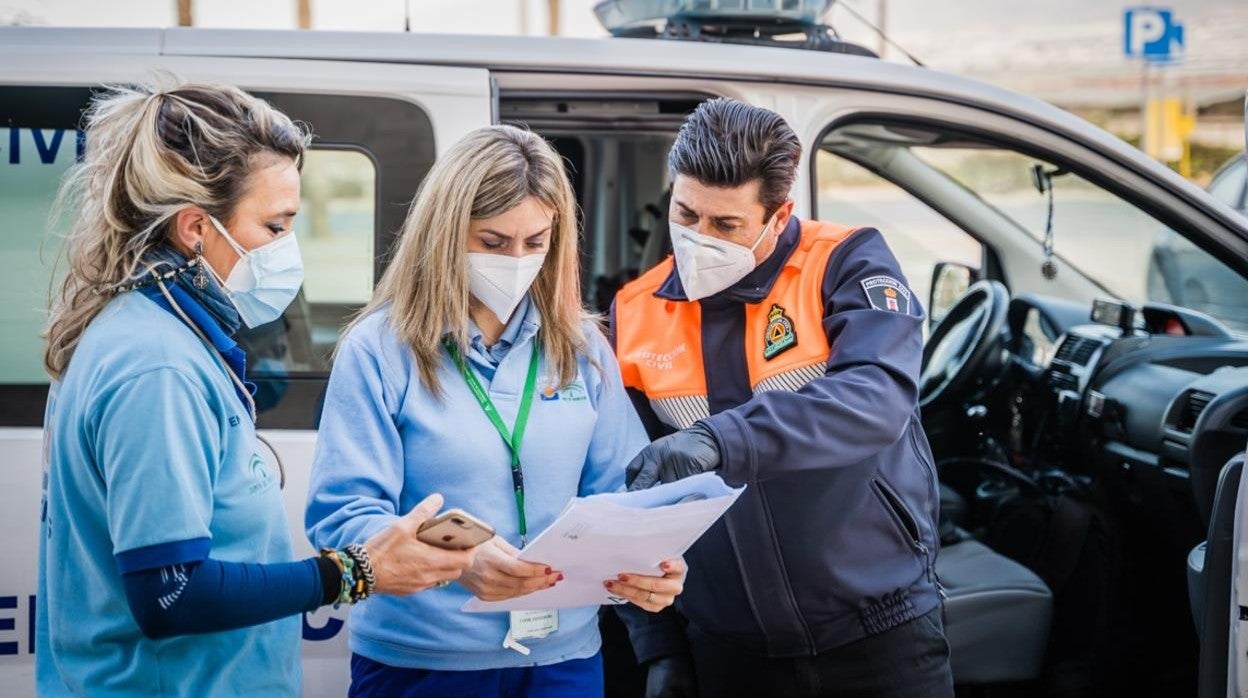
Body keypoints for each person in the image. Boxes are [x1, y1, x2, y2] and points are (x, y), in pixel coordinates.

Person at [36, 80, 479, 697]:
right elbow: (171, 593)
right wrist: (356, 571)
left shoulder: (155, 332)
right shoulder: (156, 367)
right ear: (195, 228)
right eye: (274, 226)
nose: (285, 251)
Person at [304, 124, 687, 698]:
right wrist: (460, 563)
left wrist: (649, 559)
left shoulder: (581, 347)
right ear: (444, 234)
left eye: (535, 243)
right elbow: (344, 515)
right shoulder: (379, 350)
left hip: (563, 659)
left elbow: (624, 488)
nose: (516, 260)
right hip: (422, 663)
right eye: (492, 241)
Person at [610, 98, 954, 697]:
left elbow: (875, 398)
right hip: (727, 649)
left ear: (779, 214)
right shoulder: (635, 311)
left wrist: (718, 439)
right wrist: (658, 646)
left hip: (879, 632)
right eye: (685, 213)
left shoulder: (845, 262)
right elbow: (628, 492)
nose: (697, 238)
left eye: (725, 225)